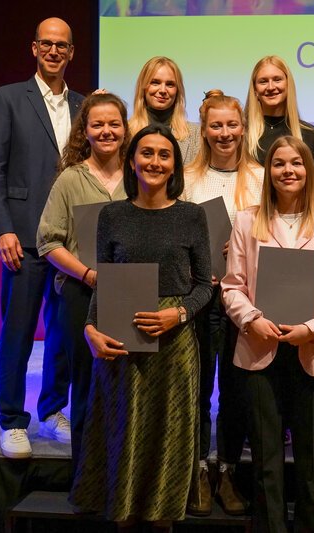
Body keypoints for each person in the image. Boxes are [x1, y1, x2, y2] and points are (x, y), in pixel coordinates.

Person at [70, 124, 213, 532]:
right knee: (124, 435)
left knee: (166, 440)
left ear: (174, 165)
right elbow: (105, 279)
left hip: (174, 343)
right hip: (121, 336)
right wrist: (90, 328)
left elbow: (205, 286)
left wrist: (179, 315)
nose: (154, 161)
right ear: (132, 161)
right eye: (146, 153)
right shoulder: (112, 215)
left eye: (164, 155)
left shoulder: (192, 215)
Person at [221, 136, 314, 533]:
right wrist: (251, 319)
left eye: (296, 163)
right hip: (259, 349)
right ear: (269, 172)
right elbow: (232, 287)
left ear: (309, 170)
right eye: (279, 164)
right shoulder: (247, 221)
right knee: (266, 461)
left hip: (313, 353)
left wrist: (312, 329)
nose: (288, 171)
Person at [0, 17, 83, 459]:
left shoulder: (83, 105)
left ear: (72, 52)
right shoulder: (6, 99)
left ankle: (53, 411)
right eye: (47, 44)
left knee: (64, 334)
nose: (54, 51)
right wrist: (2, 227)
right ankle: (11, 420)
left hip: (71, 241)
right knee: (18, 332)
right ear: (34, 49)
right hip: (22, 235)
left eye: (62, 45)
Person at [36, 90, 128, 472]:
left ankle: (123, 479)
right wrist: (89, 275)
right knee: (87, 388)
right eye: (97, 125)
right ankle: (86, 480)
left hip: (129, 294)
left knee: (126, 388)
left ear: (125, 128)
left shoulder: (140, 176)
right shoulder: (70, 180)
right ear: (84, 131)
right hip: (79, 292)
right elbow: (48, 242)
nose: (106, 131)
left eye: (114, 124)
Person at [182, 89, 264, 516]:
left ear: (244, 128)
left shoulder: (262, 177)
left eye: (233, 124)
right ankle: (197, 469)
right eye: (216, 125)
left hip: (245, 300)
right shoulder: (187, 178)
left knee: (236, 391)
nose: (225, 132)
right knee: (196, 389)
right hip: (199, 297)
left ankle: (228, 469)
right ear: (204, 129)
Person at [244, 55, 314, 166]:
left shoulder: (309, 134)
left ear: (288, 84)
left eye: (277, 80)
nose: (271, 87)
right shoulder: (242, 133)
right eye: (263, 81)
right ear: (255, 90)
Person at [128, 56, 202, 165]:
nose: (163, 90)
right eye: (155, 82)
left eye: (170, 84)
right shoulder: (126, 132)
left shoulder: (196, 134)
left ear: (178, 90)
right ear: (143, 87)